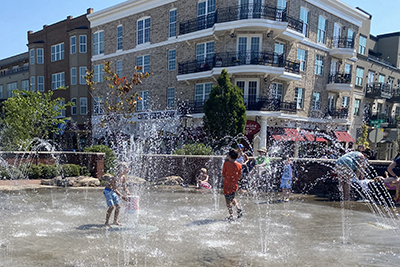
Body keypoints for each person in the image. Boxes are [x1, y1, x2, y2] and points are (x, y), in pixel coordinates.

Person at [103, 162, 130, 228]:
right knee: (111, 207)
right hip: (108, 190)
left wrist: (128, 193)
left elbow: (124, 188)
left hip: (113, 191)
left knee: (118, 206)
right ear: (121, 169)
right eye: (126, 168)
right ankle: (106, 222)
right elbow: (115, 189)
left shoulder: (123, 178)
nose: (128, 170)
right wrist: (122, 196)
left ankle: (115, 221)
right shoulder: (115, 178)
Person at [222, 149, 243, 221]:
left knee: (228, 201)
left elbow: (223, 175)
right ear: (237, 157)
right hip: (234, 185)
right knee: (232, 197)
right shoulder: (239, 165)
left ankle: (231, 215)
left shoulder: (226, 164)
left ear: (229, 156)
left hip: (227, 185)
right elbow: (240, 176)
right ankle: (238, 208)